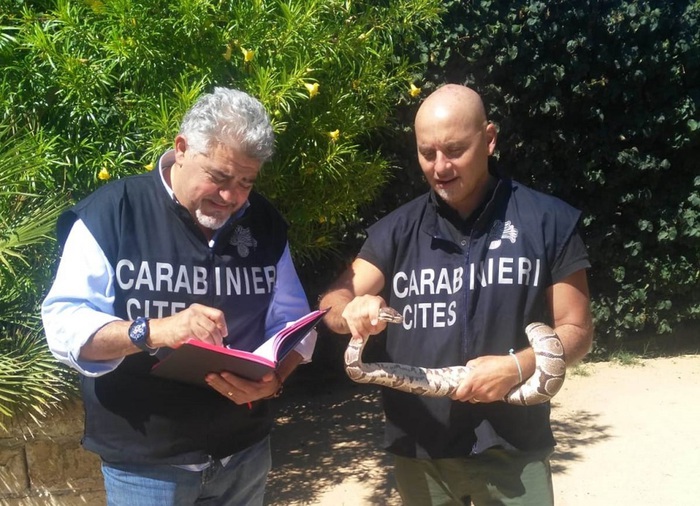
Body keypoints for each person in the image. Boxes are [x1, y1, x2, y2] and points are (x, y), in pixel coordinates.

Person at [320, 84, 594, 506]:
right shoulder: (397, 229)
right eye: (427, 153)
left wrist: (516, 367)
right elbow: (331, 304)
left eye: (454, 150)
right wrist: (352, 310)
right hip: (420, 450)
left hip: (513, 447)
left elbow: (576, 330)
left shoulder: (548, 221)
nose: (440, 167)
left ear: (489, 138)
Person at [41, 87, 316, 505]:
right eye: (220, 177)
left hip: (243, 454)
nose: (231, 197)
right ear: (182, 148)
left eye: (246, 182)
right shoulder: (114, 211)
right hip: (145, 465)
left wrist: (275, 380)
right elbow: (64, 325)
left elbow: (293, 323)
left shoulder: (264, 222)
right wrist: (152, 331)